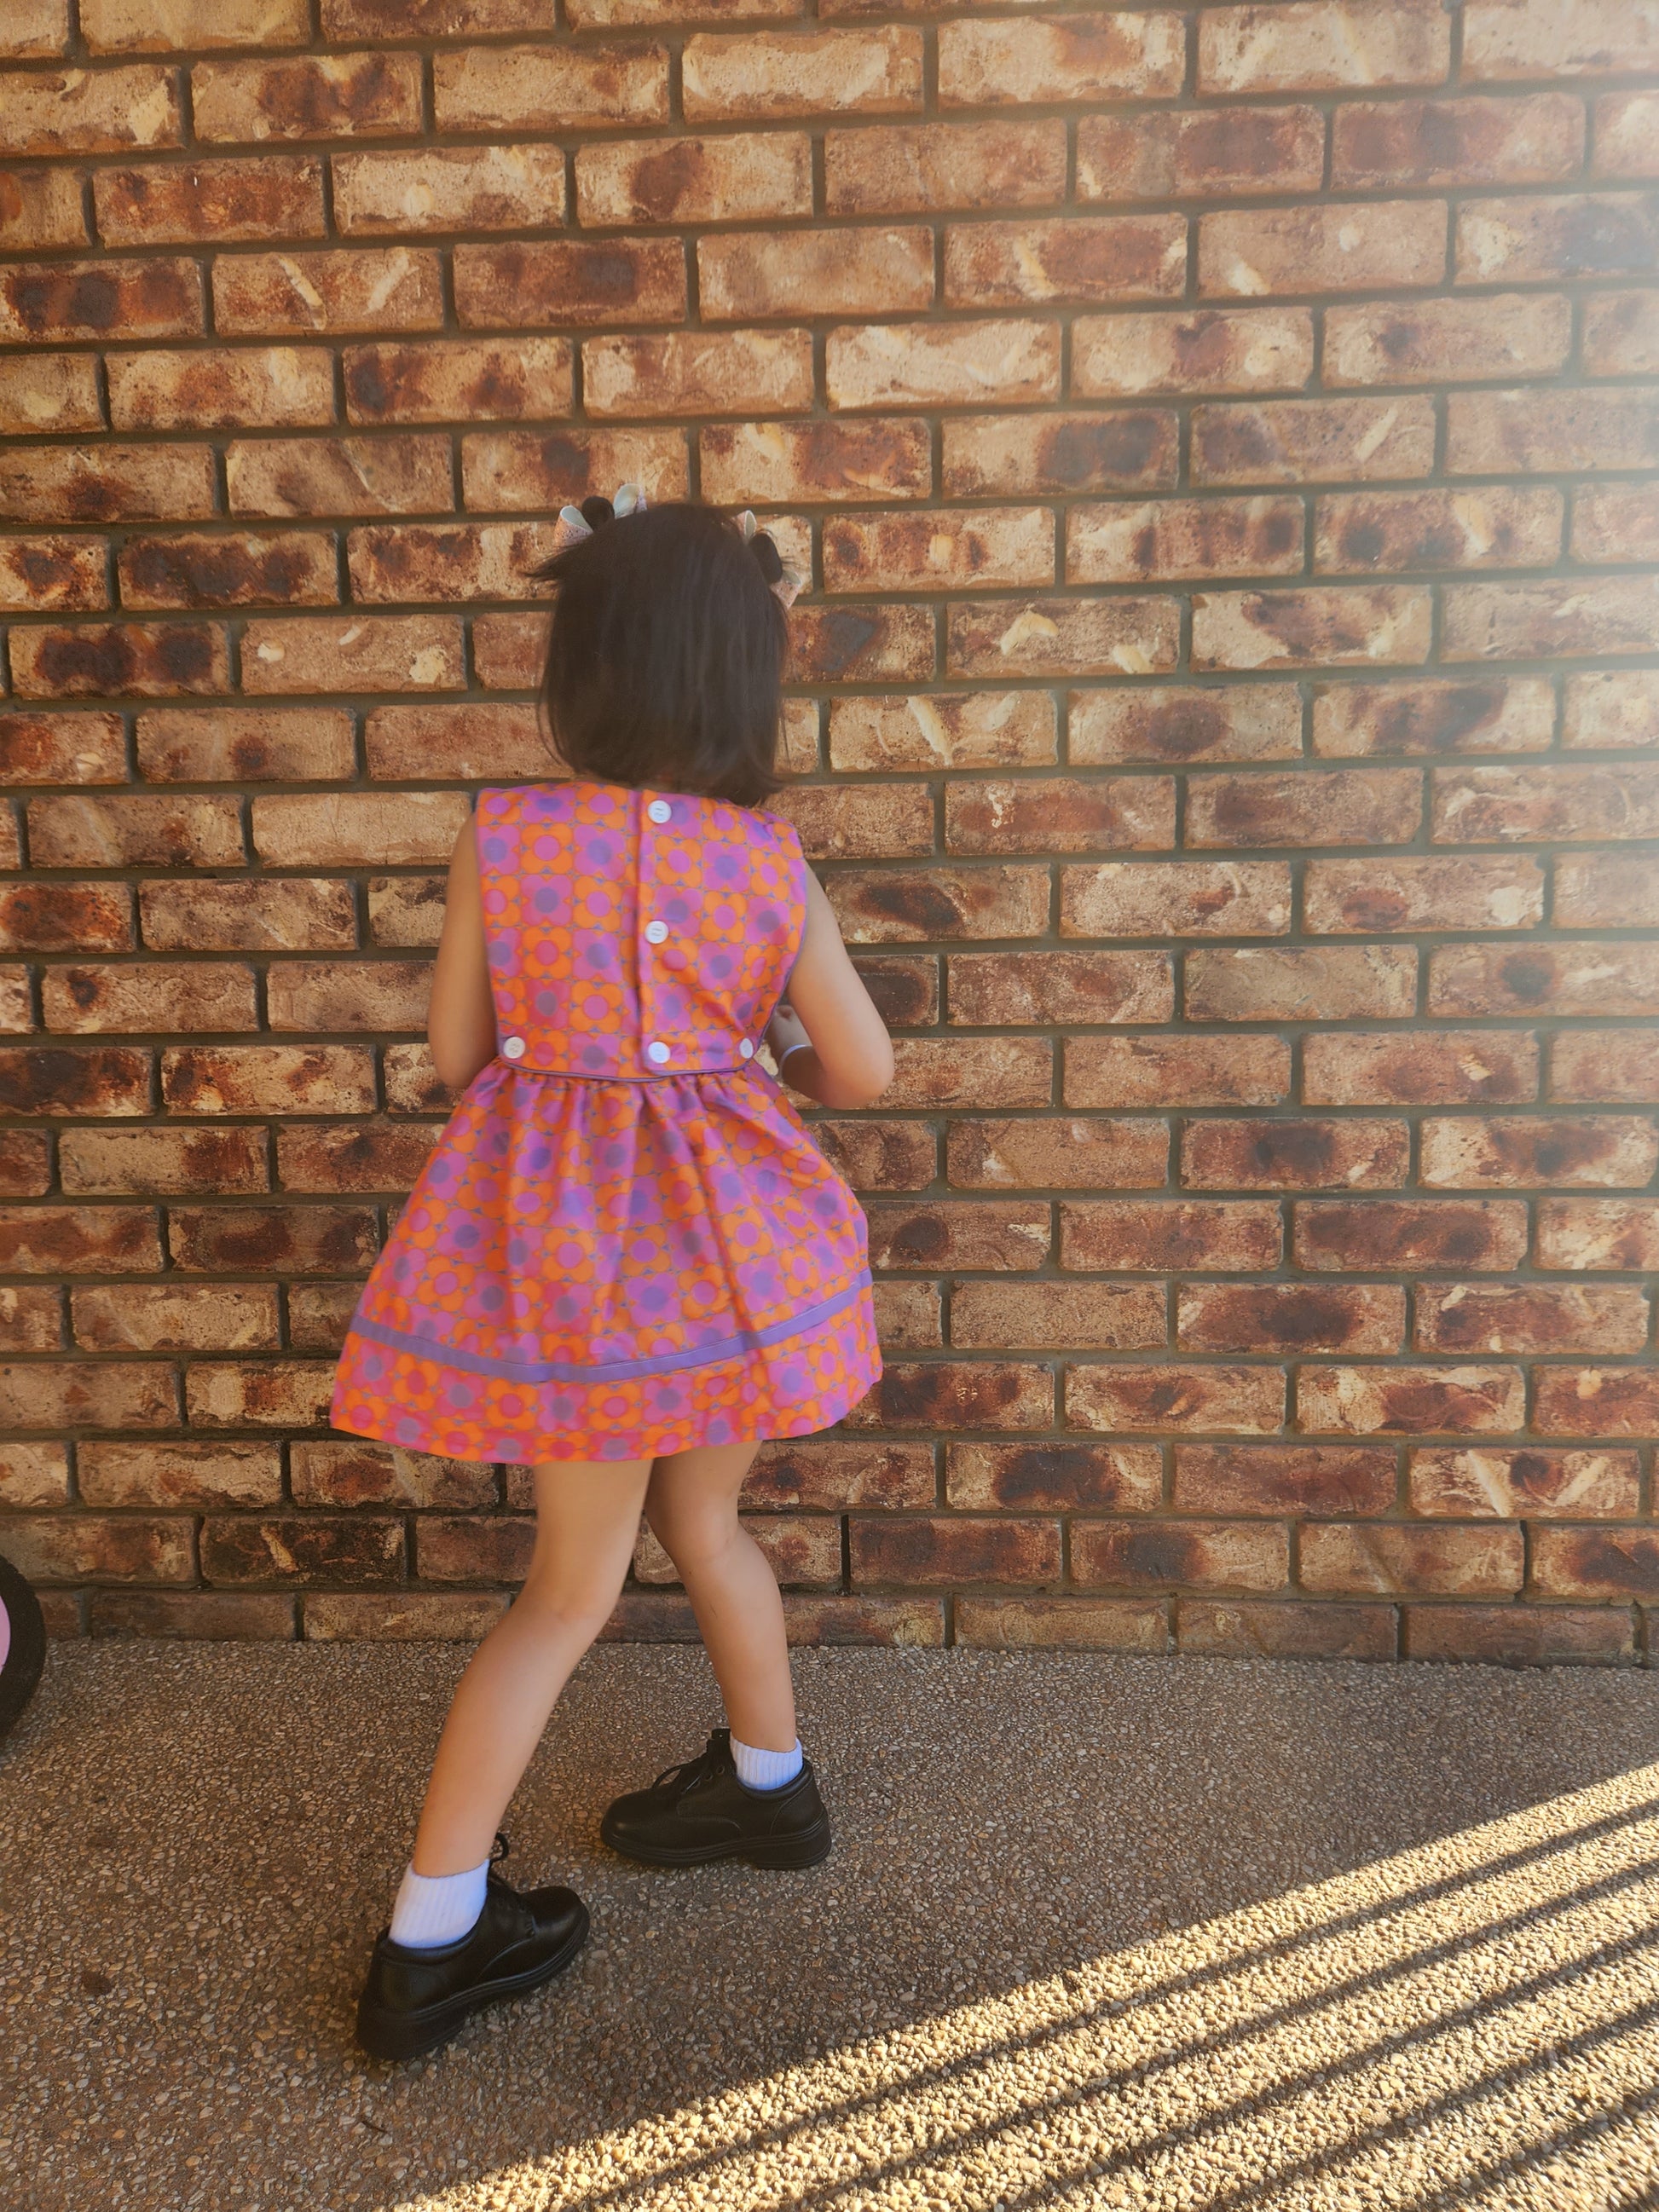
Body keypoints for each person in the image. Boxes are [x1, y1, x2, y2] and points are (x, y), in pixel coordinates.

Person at [332, 491, 893, 2061]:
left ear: (581, 669)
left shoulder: (505, 837)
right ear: (745, 679)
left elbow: (458, 1059)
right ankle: (769, 1792)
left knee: (567, 1590)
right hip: (732, 1269)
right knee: (707, 1527)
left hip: (578, 1286)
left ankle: (435, 1931)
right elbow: (860, 1070)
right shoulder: (767, 861)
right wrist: (753, 1054)